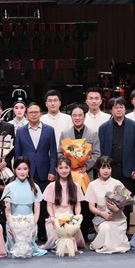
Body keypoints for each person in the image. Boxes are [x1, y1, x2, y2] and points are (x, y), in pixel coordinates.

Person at [98, 97, 135, 235]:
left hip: (127, 170)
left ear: (125, 109)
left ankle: (125, 230)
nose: (118, 109)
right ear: (111, 110)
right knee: (108, 200)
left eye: (121, 107)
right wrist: (101, 169)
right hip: (110, 170)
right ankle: (109, 230)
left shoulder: (133, 126)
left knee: (125, 201)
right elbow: (100, 151)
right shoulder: (104, 127)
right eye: (115, 107)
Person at [14, 102, 57, 243]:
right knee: (27, 202)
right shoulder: (20, 131)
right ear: (26, 115)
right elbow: (17, 154)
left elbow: (53, 153)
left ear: (41, 114)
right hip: (26, 173)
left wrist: (52, 170)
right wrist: (19, 172)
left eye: (36, 112)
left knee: (43, 203)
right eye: (31, 112)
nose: (33, 114)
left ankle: (43, 234)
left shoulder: (49, 130)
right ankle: (28, 233)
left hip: (44, 172)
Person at [58, 103, 101, 241]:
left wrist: (86, 166)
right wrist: (68, 165)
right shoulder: (65, 134)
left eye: (80, 115)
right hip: (69, 173)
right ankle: (70, 231)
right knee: (71, 201)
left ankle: (84, 232)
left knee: (86, 203)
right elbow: (60, 153)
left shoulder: (92, 134)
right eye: (74, 115)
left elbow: (97, 153)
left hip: (86, 174)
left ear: (84, 116)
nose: (77, 118)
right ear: (71, 117)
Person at [85, 156, 131, 254]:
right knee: (105, 228)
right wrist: (103, 214)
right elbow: (91, 207)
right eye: (103, 168)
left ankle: (101, 243)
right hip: (102, 218)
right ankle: (99, 244)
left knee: (120, 245)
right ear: (98, 168)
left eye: (109, 168)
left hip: (117, 218)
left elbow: (123, 204)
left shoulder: (118, 183)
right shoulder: (92, 185)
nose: (106, 171)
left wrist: (117, 209)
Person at [3, 156, 48, 258]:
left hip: (30, 222)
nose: (22, 172)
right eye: (19, 169)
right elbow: (7, 211)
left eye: (25, 169)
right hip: (13, 222)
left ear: (29, 170)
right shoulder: (9, 187)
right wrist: (12, 224)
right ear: (14, 170)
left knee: (28, 246)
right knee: (15, 248)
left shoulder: (35, 187)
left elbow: (37, 210)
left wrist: (33, 224)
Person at [40, 156, 85, 253]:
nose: (64, 171)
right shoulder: (52, 186)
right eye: (61, 168)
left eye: (66, 167)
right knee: (56, 238)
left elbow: (77, 205)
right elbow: (49, 205)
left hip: (70, 218)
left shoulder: (76, 186)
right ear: (56, 169)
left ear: (70, 168)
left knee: (70, 237)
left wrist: (77, 217)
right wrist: (52, 217)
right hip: (55, 218)